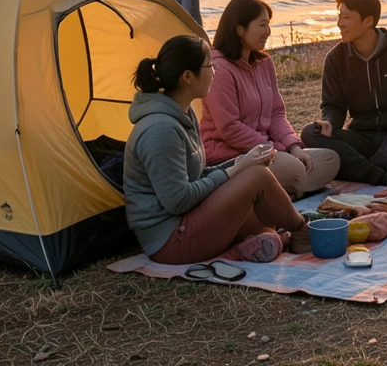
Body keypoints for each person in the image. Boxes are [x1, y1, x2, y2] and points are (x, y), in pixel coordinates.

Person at [124, 34, 310, 266]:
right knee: (256, 176)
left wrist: (239, 162)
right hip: (170, 240)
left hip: (188, 219)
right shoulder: (160, 130)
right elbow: (178, 201)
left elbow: (195, 176)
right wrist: (235, 170)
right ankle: (304, 234)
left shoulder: (182, 113)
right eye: (209, 66)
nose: (214, 71)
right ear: (188, 77)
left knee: (265, 215)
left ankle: (266, 239)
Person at [201, 0, 340, 199]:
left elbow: (276, 113)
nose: (268, 31)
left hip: (267, 151)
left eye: (268, 24)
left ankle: (276, 193)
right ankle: (277, 191)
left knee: (330, 160)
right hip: (232, 157)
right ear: (239, 29)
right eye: (262, 25)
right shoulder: (220, 68)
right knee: (295, 170)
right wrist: (276, 151)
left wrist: (293, 146)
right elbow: (230, 128)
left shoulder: (264, 63)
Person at [301, 0, 387, 189]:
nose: (339, 24)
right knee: (310, 133)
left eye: (346, 18)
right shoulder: (336, 59)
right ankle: (383, 176)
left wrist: (386, 145)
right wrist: (329, 123)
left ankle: (360, 169)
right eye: (339, 16)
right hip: (360, 137)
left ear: (368, 20)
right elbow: (334, 107)